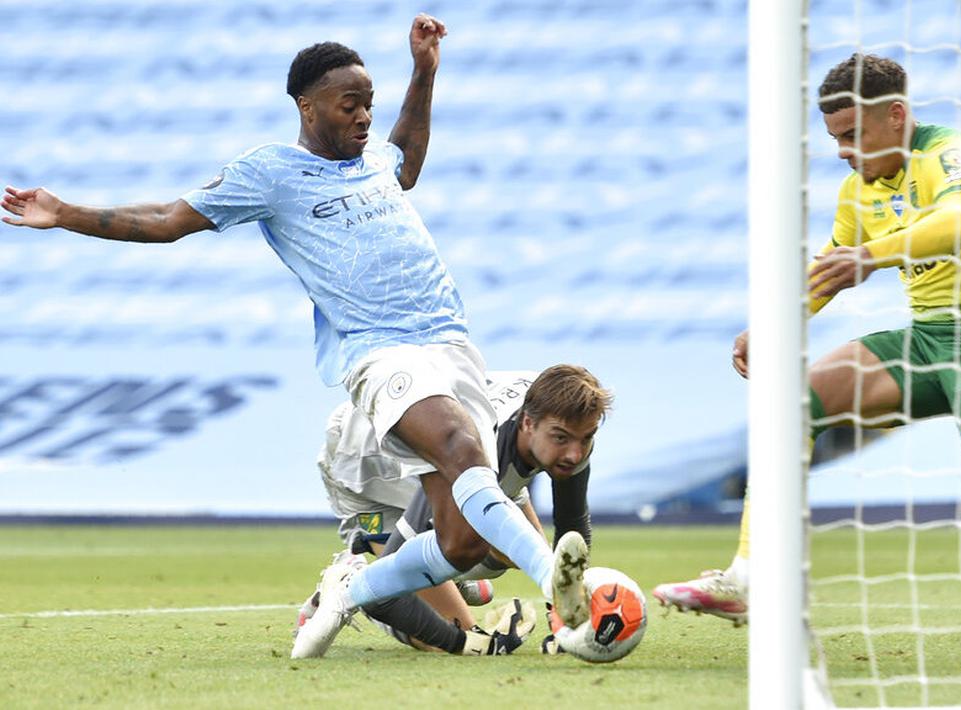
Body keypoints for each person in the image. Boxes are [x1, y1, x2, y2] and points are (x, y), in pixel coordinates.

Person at [1, 13, 589, 660]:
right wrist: (66, 214)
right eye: (349, 105)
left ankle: (349, 593)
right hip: (380, 348)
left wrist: (423, 73)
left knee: (463, 547)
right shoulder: (271, 172)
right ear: (308, 108)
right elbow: (169, 219)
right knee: (460, 449)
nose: (363, 116)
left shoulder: (372, 162)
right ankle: (560, 587)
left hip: (450, 340)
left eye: (368, 103)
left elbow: (408, 161)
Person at [656, 53, 961, 670]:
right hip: (928, 339)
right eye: (835, 139)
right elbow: (829, 272)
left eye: (853, 135)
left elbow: (958, 223)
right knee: (788, 406)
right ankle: (746, 578)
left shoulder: (949, 155)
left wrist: (872, 257)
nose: (844, 152)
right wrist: (770, 326)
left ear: (896, 116)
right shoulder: (858, 191)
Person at [299, 365, 608, 655]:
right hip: (366, 460)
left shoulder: (563, 420)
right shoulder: (474, 454)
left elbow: (572, 528)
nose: (574, 454)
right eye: (561, 439)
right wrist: (462, 641)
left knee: (519, 551)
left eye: (586, 439)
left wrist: (565, 617)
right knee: (454, 629)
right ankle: (347, 580)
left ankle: (446, 579)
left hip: (452, 454)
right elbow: (385, 601)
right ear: (528, 423)